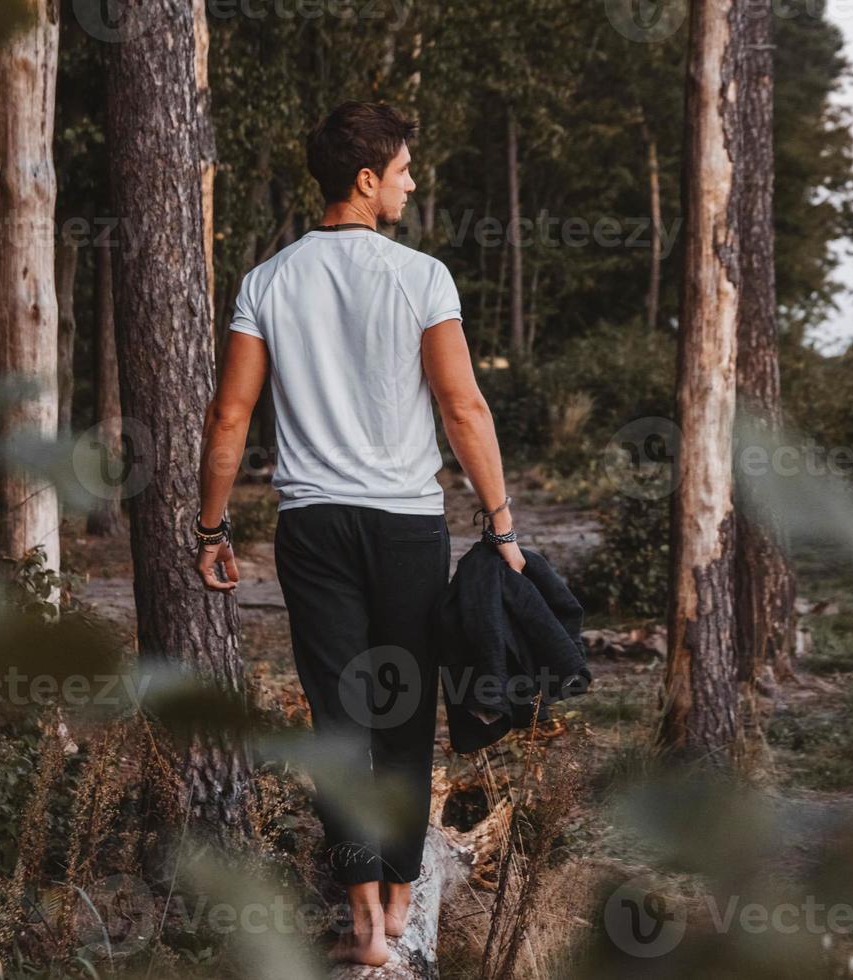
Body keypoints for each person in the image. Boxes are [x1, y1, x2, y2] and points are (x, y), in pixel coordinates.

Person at [191, 100, 524, 967]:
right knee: (407, 718)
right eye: (404, 169)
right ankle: (406, 902)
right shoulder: (423, 278)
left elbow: (230, 417)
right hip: (408, 526)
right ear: (366, 180)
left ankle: (365, 921)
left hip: (312, 529)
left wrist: (210, 527)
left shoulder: (267, 281)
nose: (413, 182)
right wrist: (501, 522)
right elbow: (463, 406)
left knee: (338, 723)